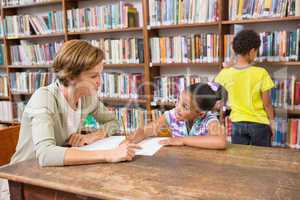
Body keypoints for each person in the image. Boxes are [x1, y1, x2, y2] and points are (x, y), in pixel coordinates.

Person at [10, 40, 140, 167]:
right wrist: (109, 154)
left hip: (56, 173)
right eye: (94, 76)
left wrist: (93, 136)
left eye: (100, 75)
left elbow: (113, 123)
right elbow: (46, 154)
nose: (100, 82)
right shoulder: (43, 98)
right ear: (70, 77)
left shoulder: (87, 97)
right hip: (22, 176)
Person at [215, 29, 275, 147]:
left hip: (237, 124)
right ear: (252, 51)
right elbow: (267, 104)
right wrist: (272, 122)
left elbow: (224, 72)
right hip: (260, 124)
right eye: (256, 51)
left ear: (235, 51)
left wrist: (232, 56)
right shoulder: (261, 73)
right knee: (262, 158)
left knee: (240, 159)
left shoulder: (226, 73)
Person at [124, 82, 227, 149]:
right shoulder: (172, 115)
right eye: (178, 100)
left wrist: (182, 140)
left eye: (185, 106)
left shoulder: (209, 119)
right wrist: (130, 140)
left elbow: (221, 141)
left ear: (200, 113)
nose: (177, 107)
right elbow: (146, 130)